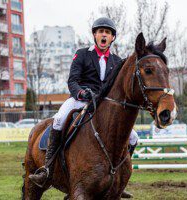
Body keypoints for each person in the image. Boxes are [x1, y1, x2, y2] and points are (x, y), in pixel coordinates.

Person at [29, 17, 138, 197]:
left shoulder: (117, 62)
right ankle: (46, 169)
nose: (104, 35)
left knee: (133, 138)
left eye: (108, 32)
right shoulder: (82, 54)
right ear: (95, 35)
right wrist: (81, 93)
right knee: (58, 119)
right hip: (80, 99)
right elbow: (72, 80)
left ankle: (117, 175)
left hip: (104, 106)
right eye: (101, 31)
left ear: (112, 38)